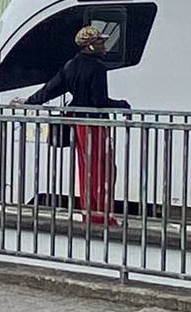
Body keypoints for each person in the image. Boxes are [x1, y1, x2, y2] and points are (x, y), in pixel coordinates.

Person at [25, 23, 126, 227]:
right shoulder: (97, 68)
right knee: (103, 170)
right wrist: (122, 104)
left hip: (78, 124)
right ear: (90, 46)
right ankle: (103, 216)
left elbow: (49, 90)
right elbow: (99, 101)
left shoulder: (70, 65)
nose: (104, 45)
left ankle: (89, 214)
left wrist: (28, 102)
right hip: (95, 125)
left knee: (86, 170)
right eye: (100, 41)